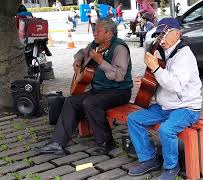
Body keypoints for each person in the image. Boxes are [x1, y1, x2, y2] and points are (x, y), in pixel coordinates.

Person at [39, 18, 133, 155]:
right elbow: (81, 52)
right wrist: (78, 60)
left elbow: (119, 76)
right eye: (94, 31)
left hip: (119, 92)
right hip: (100, 90)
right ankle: (57, 143)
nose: (95, 34)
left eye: (98, 31)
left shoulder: (119, 48)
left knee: (91, 103)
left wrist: (101, 61)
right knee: (71, 101)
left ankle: (107, 143)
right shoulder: (95, 45)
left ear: (109, 33)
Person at [127, 18, 202, 180]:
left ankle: (171, 167)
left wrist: (154, 68)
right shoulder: (163, 53)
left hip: (186, 108)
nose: (162, 39)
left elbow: (175, 86)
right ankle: (149, 158)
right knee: (133, 119)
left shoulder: (184, 55)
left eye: (165, 34)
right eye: (159, 35)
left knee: (166, 130)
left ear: (177, 34)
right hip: (165, 107)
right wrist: (148, 79)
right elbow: (162, 79)